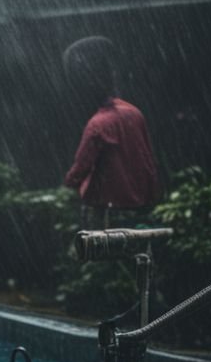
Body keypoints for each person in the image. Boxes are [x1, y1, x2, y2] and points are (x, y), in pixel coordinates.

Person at [61, 37, 160, 229]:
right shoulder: (133, 112)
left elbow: (79, 170)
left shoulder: (98, 124)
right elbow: (148, 159)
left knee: (111, 255)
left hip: (111, 211)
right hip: (142, 206)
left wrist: (65, 191)